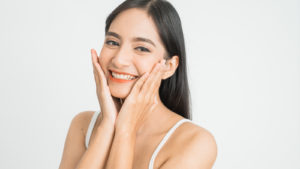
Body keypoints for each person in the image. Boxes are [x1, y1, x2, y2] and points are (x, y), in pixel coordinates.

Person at [59, 0, 217, 169]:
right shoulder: (83, 125)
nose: (119, 60)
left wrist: (125, 130)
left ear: (169, 66)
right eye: (112, 42)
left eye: (141, 48)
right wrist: (107, 126)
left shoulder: (195, 143)